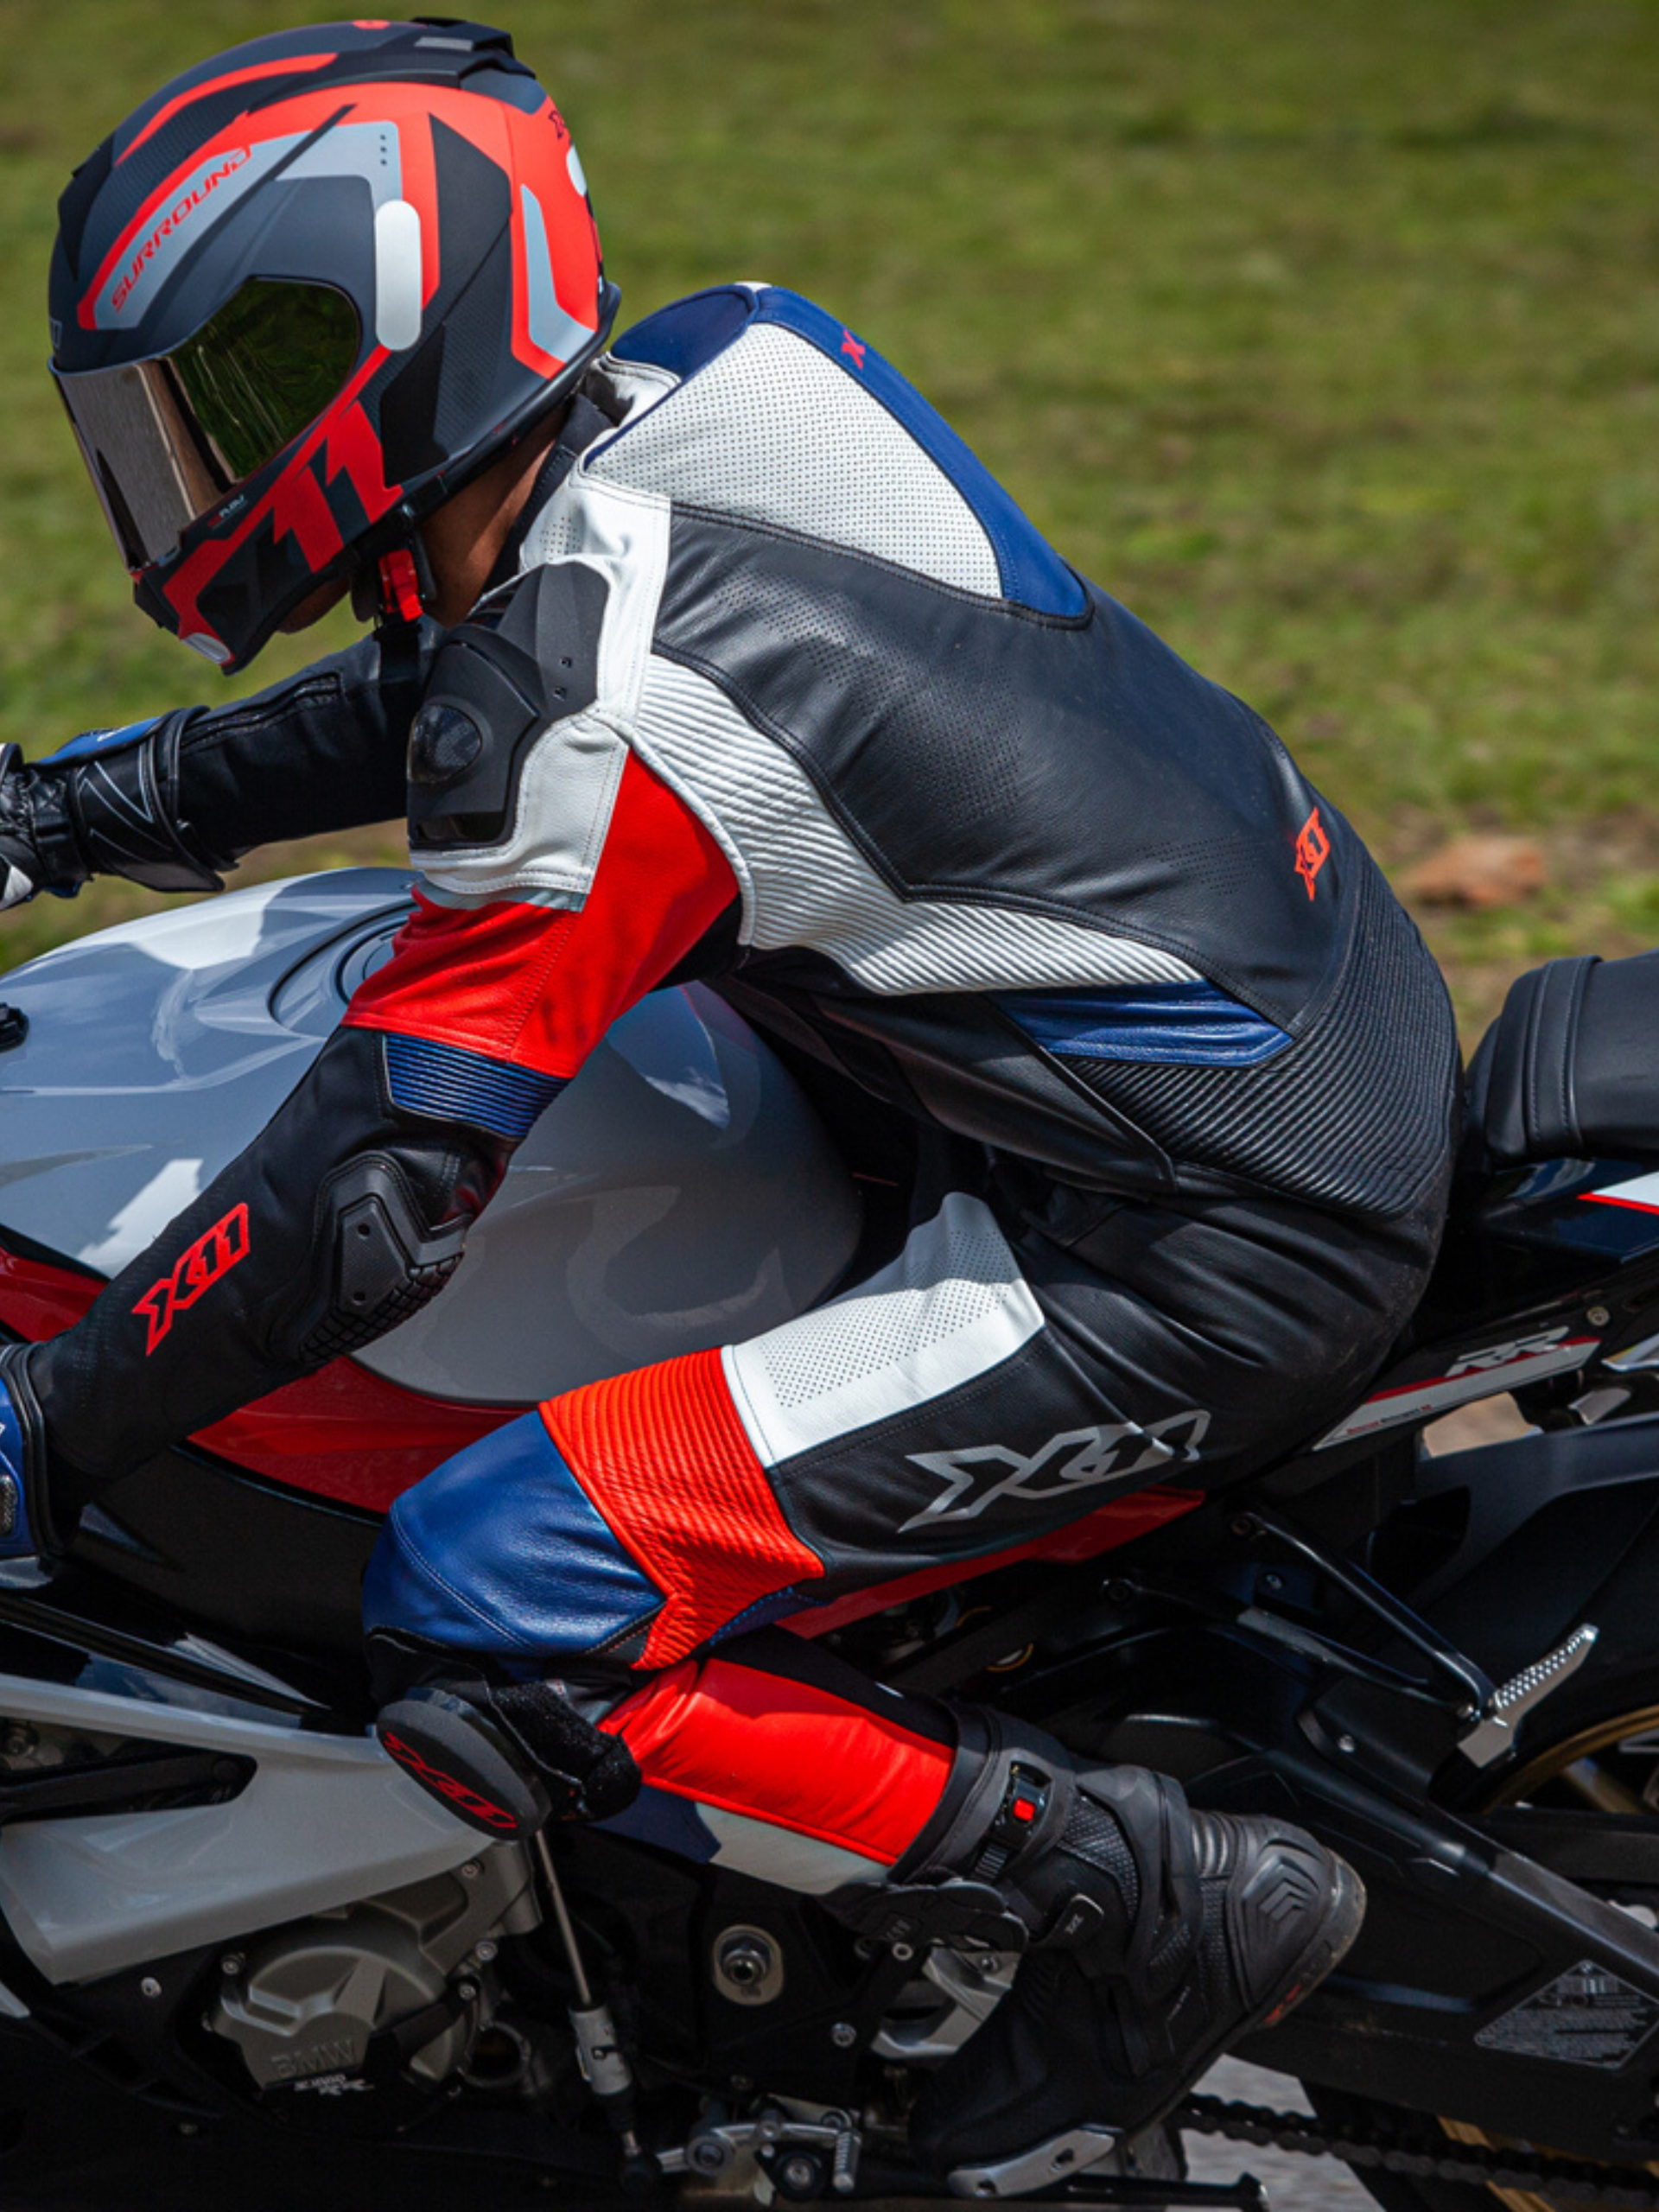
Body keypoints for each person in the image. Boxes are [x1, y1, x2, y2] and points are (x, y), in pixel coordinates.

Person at [0, 17, 1460, 2179]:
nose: (191, 466)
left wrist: (47, 1429)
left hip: (1199, 1235)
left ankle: (1140, 1899)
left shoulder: (587, 722)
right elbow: (443, 693)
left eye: (230, 394)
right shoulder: (722, 375)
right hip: (1294, 1013)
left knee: (496, 1583)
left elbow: (367, 1205)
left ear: (392, 345)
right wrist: (65, 810)